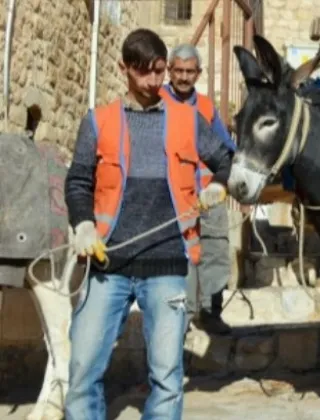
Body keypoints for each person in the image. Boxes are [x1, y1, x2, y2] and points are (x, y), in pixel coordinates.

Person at [64, 28, 233, 419]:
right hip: (108, 265)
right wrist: (83, 224)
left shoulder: (188, 121)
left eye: (159, 72)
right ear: (124, 68)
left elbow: (225, 159)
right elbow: (78, 180)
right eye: (144, 73)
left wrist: (219, 185)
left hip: (168, 265)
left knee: (168, 379)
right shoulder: (98, 121)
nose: (155, 81)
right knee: (82, 371)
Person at [161, 43, 236, 336]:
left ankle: (210, 312)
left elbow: (226, 150)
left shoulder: (206, 107)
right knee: (182, 257)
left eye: (189, 71)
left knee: (215, 250)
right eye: (178, 70)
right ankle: (185, 315)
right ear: (169, 70)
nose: (183, 77)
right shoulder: (158, 102)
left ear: (198, 73)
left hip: (209, 194)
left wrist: (222, 183)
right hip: (174, 196)